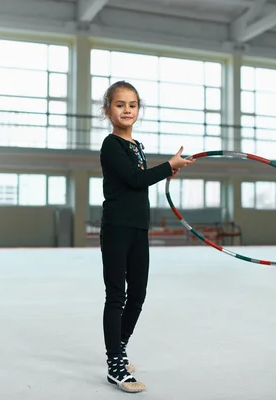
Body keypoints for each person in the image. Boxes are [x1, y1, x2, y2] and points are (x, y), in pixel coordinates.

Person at [98, 80, 195, 393]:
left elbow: (141, 178)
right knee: (116, 295)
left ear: (138, 109)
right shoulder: (111, 145)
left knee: (137, 295)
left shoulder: (136, 147)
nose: (127, 110)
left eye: (132, 105)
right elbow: (135, 179)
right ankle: (115, 365)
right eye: (120, 105)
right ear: (107, 110)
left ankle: (121, 347)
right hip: (117, 228)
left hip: (139, 229)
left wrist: (168, 169)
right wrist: (168, 166)